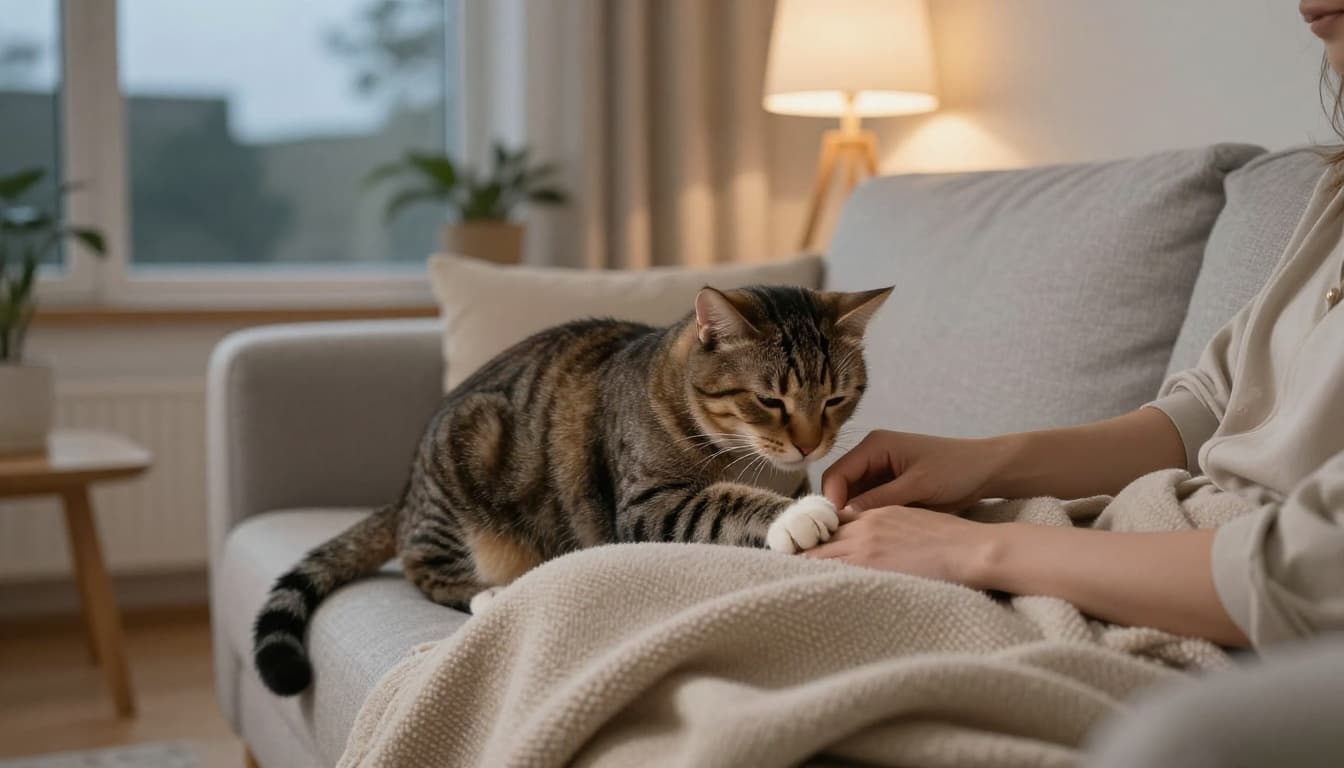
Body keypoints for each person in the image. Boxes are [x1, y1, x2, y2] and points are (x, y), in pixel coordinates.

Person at [809, 1, 1344, 652]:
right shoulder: (1334, 196)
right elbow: (1205, 412)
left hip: (1215, 616)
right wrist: (978, 464)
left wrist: (973, 550)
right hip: (1132, 541)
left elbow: (1309, 571)